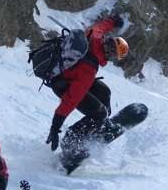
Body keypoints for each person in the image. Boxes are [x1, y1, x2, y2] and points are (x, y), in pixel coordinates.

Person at [45, 15, 129, 167]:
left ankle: (98, 126)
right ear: (109, 53)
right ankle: (71, 140)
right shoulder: (88, 71)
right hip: (63, 85)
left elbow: (102, 25)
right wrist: (55, 125)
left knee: (105, 93)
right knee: (100, 112)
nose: (111, 60)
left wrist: (114, 21)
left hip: (70, 74)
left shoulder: (94, 36)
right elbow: (71, 100)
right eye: (114, 57)